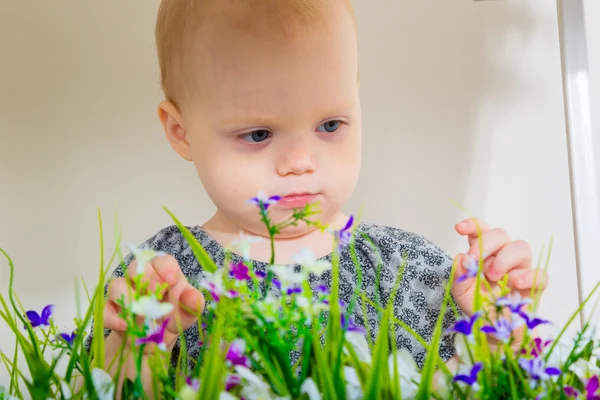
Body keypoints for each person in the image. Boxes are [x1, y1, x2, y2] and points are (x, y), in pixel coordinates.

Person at [84, 0, 549, 395]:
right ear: (181, 132)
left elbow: (463, 388)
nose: (301, 160)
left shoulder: (407, 270)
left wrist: (499, 328)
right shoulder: (162, 277)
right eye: (259, 133)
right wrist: (133, 352)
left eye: (330, 125)